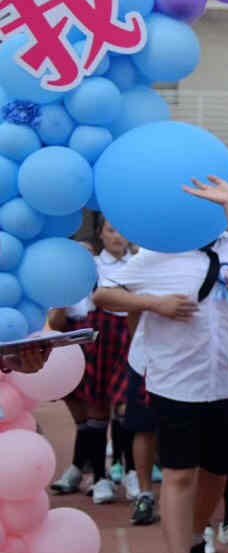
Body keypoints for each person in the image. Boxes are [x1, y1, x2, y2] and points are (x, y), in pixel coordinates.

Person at [99, 177, 228, 553]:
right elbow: (103, 292)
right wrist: (154, 305)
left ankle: (194, 537)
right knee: (179, 474)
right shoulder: (156, 254)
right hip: (176, 380)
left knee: (218, 471)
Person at [50, 215, 140, 504]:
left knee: (127, 408)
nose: (117, 237)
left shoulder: (140, 264)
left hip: (133, 338)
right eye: (111, 230)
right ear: (101, 234)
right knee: (96, 410)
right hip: (100, 338)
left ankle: (131, 471)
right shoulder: (94, 267)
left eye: (122, 231)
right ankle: (98, 477)